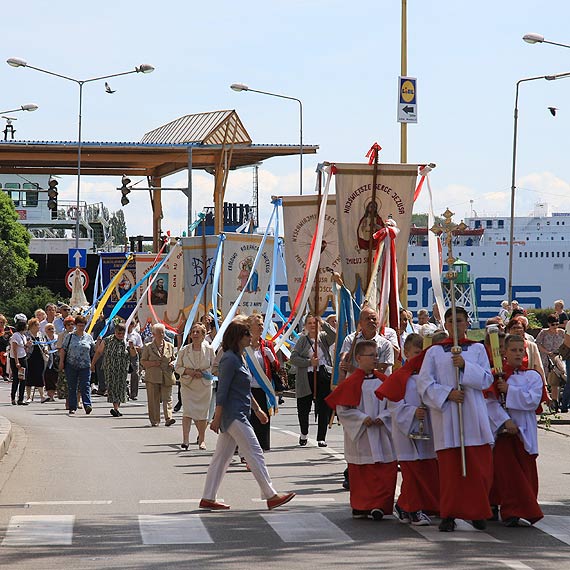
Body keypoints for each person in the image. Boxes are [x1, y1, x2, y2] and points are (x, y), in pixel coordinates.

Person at [199, 316, 295, 511]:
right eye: (246, 333)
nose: (250, 336)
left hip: (239, 412)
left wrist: (258, 409)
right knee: (254, 451)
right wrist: (216, 419)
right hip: (233, 415)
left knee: (221, 459)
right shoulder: (228, 358)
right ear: (237, 337)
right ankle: (270, 495)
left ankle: (208, 497)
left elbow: (244, 388)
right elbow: (223, 390)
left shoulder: (240, 356)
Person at [416, 306, 494, 532]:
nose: (456, 325)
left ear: (467, 323)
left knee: (477, 469)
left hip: (473, 414)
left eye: (460, 320)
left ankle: (478, 512)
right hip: (448, 415)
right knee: (451, 471)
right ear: (445, 325)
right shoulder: (434, 352)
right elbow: (424, 383)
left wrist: (465, 367)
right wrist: (447, 394)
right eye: (451, 321)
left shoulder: (477, 349)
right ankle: (449, 513)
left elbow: (487, 379)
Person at [326, 340, 397, 520]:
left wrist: (384, 417)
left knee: (383, 470)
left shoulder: (384, 381)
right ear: (358, 358)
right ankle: (361, 505)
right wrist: (361, 418)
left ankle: (380, 505)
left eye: (376, 355)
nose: (376, 358)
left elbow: (395, 405)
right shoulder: (351, 382)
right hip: (361, 434)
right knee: (362, 471)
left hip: (381, 432)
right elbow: (343, 409)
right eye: (371, 355)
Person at [486, 334, 544, 526]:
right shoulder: (497, 375)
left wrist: (509, 390)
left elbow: (532, 400)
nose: (518, 354)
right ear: (504, 352)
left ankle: (524, 508)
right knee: (507, 474)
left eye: (521, 350)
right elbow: (491, 403)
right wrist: (505, 421)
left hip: (524, 433)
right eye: (513, 350)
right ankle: (510, 510)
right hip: (504, 432)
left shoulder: (533, 376)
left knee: (525, 474)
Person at [382, 333, 439, 526]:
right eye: (416, 353)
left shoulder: (430, 376)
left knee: (424, 471)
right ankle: (413, 509)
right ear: (406, 353)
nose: (419, 357)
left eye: (423, 353)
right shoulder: (399, 377)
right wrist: (413, 412)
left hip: (428, 432)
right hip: (406, 432)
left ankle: (406, 505)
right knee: (412, 472)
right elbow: (393, 405)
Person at [289, 314, 336, 447]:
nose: (312, 325)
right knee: (304, 407)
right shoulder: (302, 340)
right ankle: (304, 433)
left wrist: (323, 322)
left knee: (323, 408)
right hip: (306, 376)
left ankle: (321, 437)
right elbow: (293, 358)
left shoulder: (323, 338)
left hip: (323, 376)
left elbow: (334, 335)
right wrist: (309, 362)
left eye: (315, 323)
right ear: (305, 326)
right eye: (309, 323)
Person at [174, 323, 215, 449]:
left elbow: (213, 366)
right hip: (187, 385)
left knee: (202, 414)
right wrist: (189, 372)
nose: (195, 334)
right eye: (193, 332)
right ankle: (185, 440)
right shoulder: (184, 350)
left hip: (204, 385)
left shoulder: (209, 349)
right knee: (187, 412)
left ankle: (201, 440)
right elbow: (177, 367)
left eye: (198, 332)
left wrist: (203, 373)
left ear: (203, 335)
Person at [246, 313, 279, 451]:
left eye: (262, 325)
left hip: (263, 387)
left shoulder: (267, 344)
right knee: (248, 418)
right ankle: (245, 446)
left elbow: (276, 366)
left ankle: (263, 445)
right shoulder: (243, 344)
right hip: (247, 388)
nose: (261, 327)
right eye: (258, 325)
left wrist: (272, 358)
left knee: (263, 417)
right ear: (249, 327)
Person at [91, 323, 135, 417]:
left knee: (120, 389)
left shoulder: (126, 341)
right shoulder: (107, 340)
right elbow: (99, 352)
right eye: (119, 333)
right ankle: (115, 408)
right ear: (115, 331)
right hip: (110, 369)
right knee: (113, 388)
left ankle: (117, 408)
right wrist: (93, 364)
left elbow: (133, 354)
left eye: (122, 333)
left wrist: (132, 347)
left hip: (122, 369)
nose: (120, 335)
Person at [340, 306, 395, 377]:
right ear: (360, 323)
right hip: (354, 386)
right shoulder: (350, 340)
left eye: (374, 319)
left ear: (378, 322)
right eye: (367, 319)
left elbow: (381, 370)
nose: (371, 321)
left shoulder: (386, 345)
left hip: (376, 386)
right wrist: (344, 360)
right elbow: (344, 360)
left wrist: (354, 370)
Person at [141, 323, 177, 427]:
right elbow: (143, 361)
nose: (162, 334)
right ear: (153, 334)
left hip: (167, 376)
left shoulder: (169, 346)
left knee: (168, 398)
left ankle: (168, 418)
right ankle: (155, 420)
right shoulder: (148, 347)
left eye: (163, 332)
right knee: (153, 399)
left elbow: (174, 359)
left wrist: (172, 363)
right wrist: (152, 363)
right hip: (153, 377)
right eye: (159, 332)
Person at [60, 315, 95, 416]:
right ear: (76, 325)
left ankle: (87, 405)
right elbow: (63, 349)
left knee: (85, 385)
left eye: (83, 325)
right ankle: (72, 406)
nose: (81, 327)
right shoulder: (70, 336)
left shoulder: (88, 337)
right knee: (72, 386)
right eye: (79, 325)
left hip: (85, 365)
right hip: (71, 364)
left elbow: (93, 350)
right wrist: (62, 362)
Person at [535, 314, 565, 411]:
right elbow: (538, 343)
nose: (555, 326)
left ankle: (555, 402)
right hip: (546, 358)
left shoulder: (561, 332)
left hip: (558, 358)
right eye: (553, 325)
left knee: (555, 381)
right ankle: (545, 401)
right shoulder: (543, 333)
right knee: (544, 380)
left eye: (557, 324)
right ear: (548, 324)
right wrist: (547, 352)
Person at [24, 317, 47, 403]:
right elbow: (23, 345)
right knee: (29, 376)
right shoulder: (27, 335)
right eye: (37, 325)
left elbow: (45, 343)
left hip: (39, 357)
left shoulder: (40, 334)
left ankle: (42, 396)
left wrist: (45, 349)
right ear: (32, 326)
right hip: (29, 357)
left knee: (40, 375)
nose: (39, 326)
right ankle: (28, 397)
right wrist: (27, 345)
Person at [10, 315, 31, 406]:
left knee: (23, 378)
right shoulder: (15, 336)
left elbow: (23, 347)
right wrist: (16, 361)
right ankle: (13, 397)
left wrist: (27, 346)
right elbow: (14, 349)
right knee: (16, 379)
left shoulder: (23, 336)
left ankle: (21, 399)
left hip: (23, 357)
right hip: (16, 358)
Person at [127, 320, 143, 400]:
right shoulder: (123, 334)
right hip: (125, 354)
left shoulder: (136, 335)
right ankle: (125, 391)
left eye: (131, 324)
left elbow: (140, 347)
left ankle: (134, 393)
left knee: (135, 373)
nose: (130, 326)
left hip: (134, 355)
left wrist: (133, 346)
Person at [42, 323, 58, 402]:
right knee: (48, 376)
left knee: (55, 376)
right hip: (47, 360)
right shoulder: (44, 338)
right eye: (49, 329)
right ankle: (50, 395)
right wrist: (45, 350)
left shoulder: (57, 337)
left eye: (52, 328)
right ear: (45, 331)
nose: (51, 330)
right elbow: (43, 346)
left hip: (56, 359)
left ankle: (54, 393)